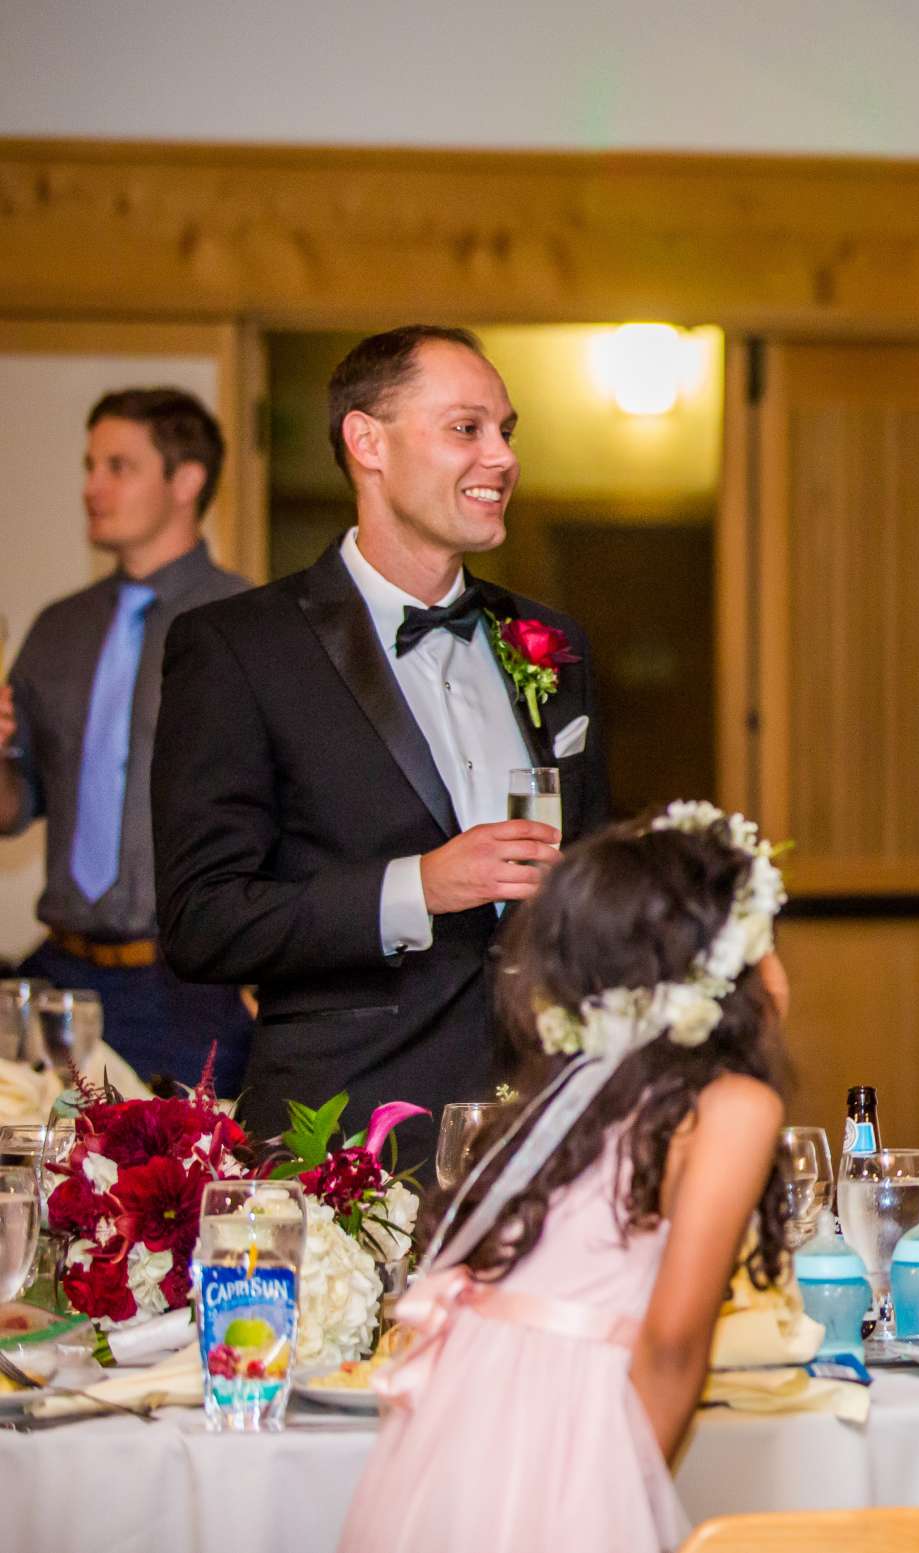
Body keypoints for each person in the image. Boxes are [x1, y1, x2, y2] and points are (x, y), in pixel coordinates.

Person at [154, 326, 607, 1165]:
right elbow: (201, 920)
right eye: (466, 428)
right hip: (347, 1135)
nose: (501, 457)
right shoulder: (238, 647)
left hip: (543, 1124)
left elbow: (590, 871)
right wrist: (420, 887)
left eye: (508, 431)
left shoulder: (551, 639)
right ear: (368, 441)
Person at [339, 804, 789, 1553]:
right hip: (563, 1435)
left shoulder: (580, 1090)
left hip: (467, 1431)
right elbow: (675, 1345)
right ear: (728, 971)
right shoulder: (734, 1107)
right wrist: (623, 1497)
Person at [0, 389, 255, 1090]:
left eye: (118, 465)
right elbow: (16, 804)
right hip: (60, 975)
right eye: (90, 465)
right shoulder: (59, 628)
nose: (92, 487)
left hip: (189, 987)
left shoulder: (249, 622)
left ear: (187, 480)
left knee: (176, 1192)